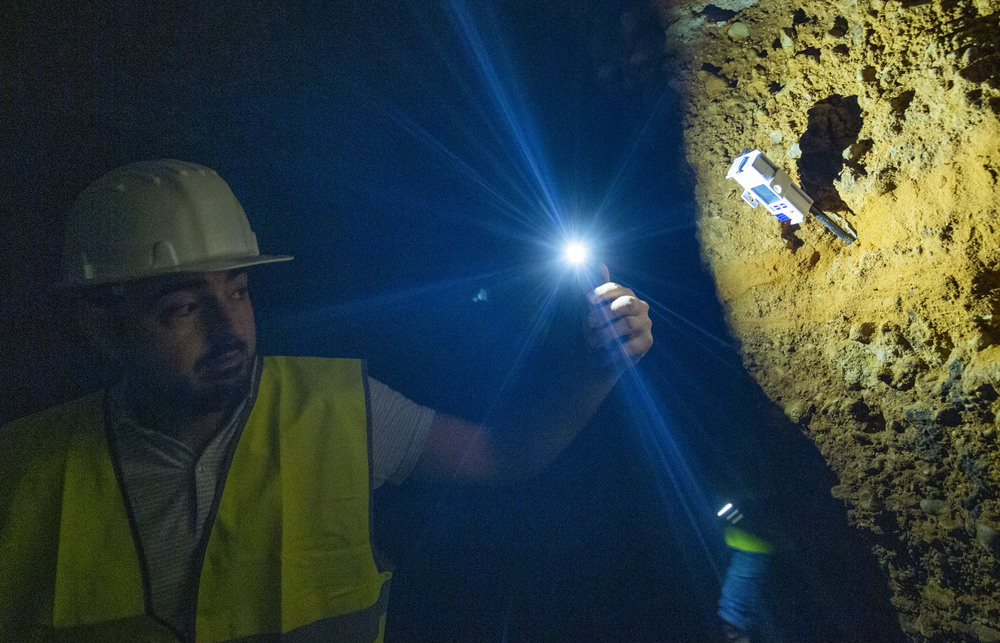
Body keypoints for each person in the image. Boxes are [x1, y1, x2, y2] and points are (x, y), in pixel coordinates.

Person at [0, 159, 652, 641]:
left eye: (238, 291)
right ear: (102, 326)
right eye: (182, 306)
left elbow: (509, 452)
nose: (230, 330)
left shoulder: (340, 409)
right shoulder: (22, 472)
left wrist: (595, 366)